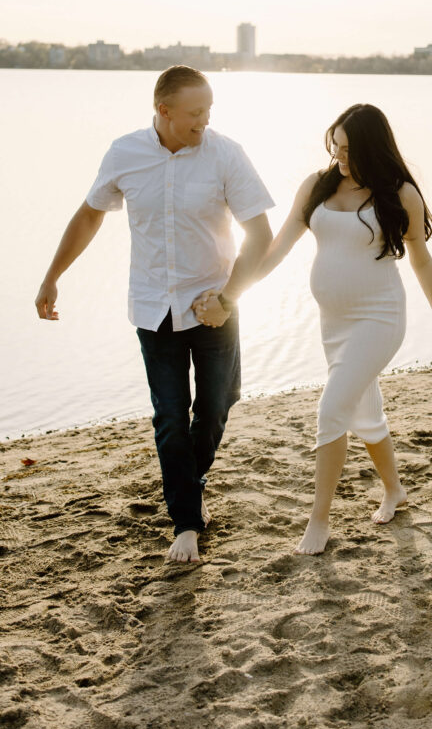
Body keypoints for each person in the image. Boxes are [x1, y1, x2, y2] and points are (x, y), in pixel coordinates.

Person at [35, 65, 273, 564]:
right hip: (153, 306)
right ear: (163, 111)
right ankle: (186, 520)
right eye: (194, 112)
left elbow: (261, 236)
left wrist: (227, 298)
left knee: (217, 405)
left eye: (209, 111)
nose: (204, 121)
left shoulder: (225, 153)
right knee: (169, 417)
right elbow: (90, 214)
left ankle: (190, 480)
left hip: (214, 305)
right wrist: (53, 275)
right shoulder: (126, 153)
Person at [255, 103, 432, 555]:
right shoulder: (317, 186)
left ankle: (319, 521)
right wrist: (236, 289)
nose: (340, 156)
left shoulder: (399, 192)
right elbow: (281, 243)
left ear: (370, 146)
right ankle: (395, 490)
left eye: (348, 148)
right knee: (364, 412)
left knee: (332, 409)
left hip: (380, 317)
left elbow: (420, 257)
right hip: (335, 322)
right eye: (336, 146)